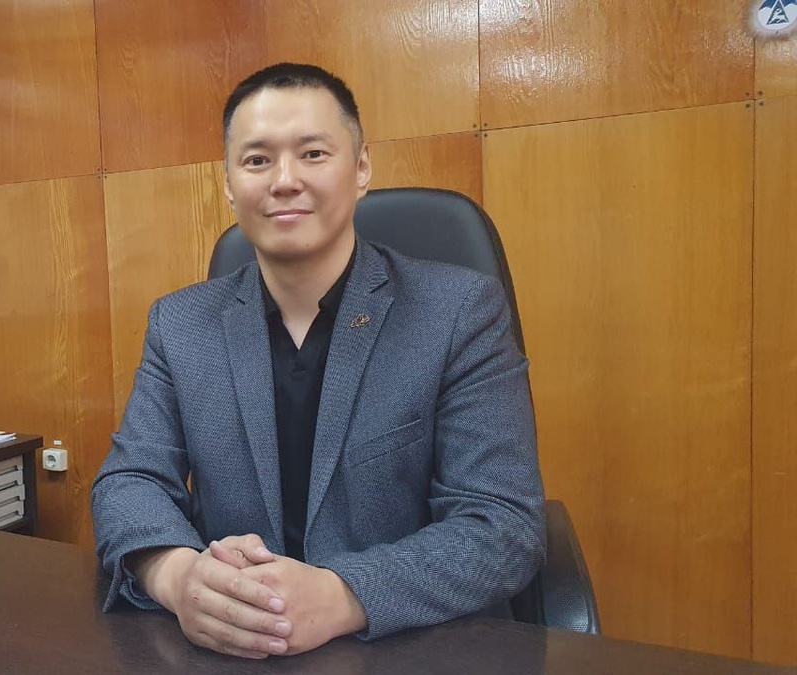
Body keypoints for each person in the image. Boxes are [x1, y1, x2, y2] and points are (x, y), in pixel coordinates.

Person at [91, 62, 545, 659]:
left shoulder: (458, 311)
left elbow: (502, 523)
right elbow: (129, 481)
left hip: (408, 648)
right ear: (228, 184)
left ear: (361, 168)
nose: (284, 181)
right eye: (257, 160)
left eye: (312, 154)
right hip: (233, 652)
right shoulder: (181, 324)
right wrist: (178, 578)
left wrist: (342, 595)